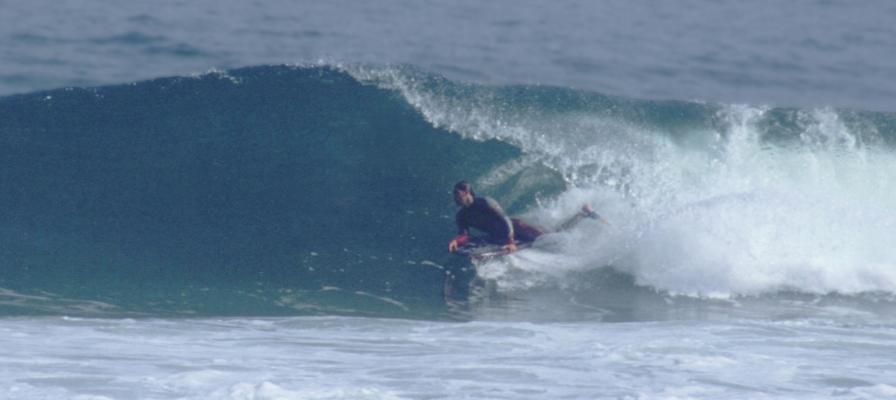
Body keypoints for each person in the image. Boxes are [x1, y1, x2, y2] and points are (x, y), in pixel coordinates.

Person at [447, 181, 603, 254]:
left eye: (458, 194)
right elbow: (464, 235)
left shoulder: (486, 203)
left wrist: (510, 242)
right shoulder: (462, 215)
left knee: (552, 238)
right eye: (454, 194)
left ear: (467, 194)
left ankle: (583, 214)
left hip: (516, 227)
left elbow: (505, 220)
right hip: (498, 236)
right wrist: (456, 241)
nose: (455, 197)